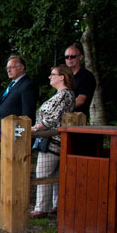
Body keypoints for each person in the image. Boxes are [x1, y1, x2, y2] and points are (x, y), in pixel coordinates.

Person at [30, 65, 75, 218]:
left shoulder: (64, 95)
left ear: (62, 77)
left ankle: (41, 208)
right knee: (54, 175)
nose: (50, 77)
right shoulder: (63, 94)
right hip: (54, 139)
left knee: (43, 173)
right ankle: (55, 205)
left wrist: (35, 128)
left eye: (53, 74)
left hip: (52, 140)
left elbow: (53, 119)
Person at [0, 55, 39, 130]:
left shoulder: (28, 85)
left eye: (11, 67)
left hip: (16, 132)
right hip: (4, 129)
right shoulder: (12, 84)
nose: (8, 70)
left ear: (21, 68)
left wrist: (21, 132)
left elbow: (27, 113)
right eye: (7, 68)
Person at [63, 43, 96, 118]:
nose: (69, 59)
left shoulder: (86, 76)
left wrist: (60, 109)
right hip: (60, 119)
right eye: (66, 57)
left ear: (80, 57)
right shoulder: (64, 76)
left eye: (73, 56)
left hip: (76, 120)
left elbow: (81, 100)